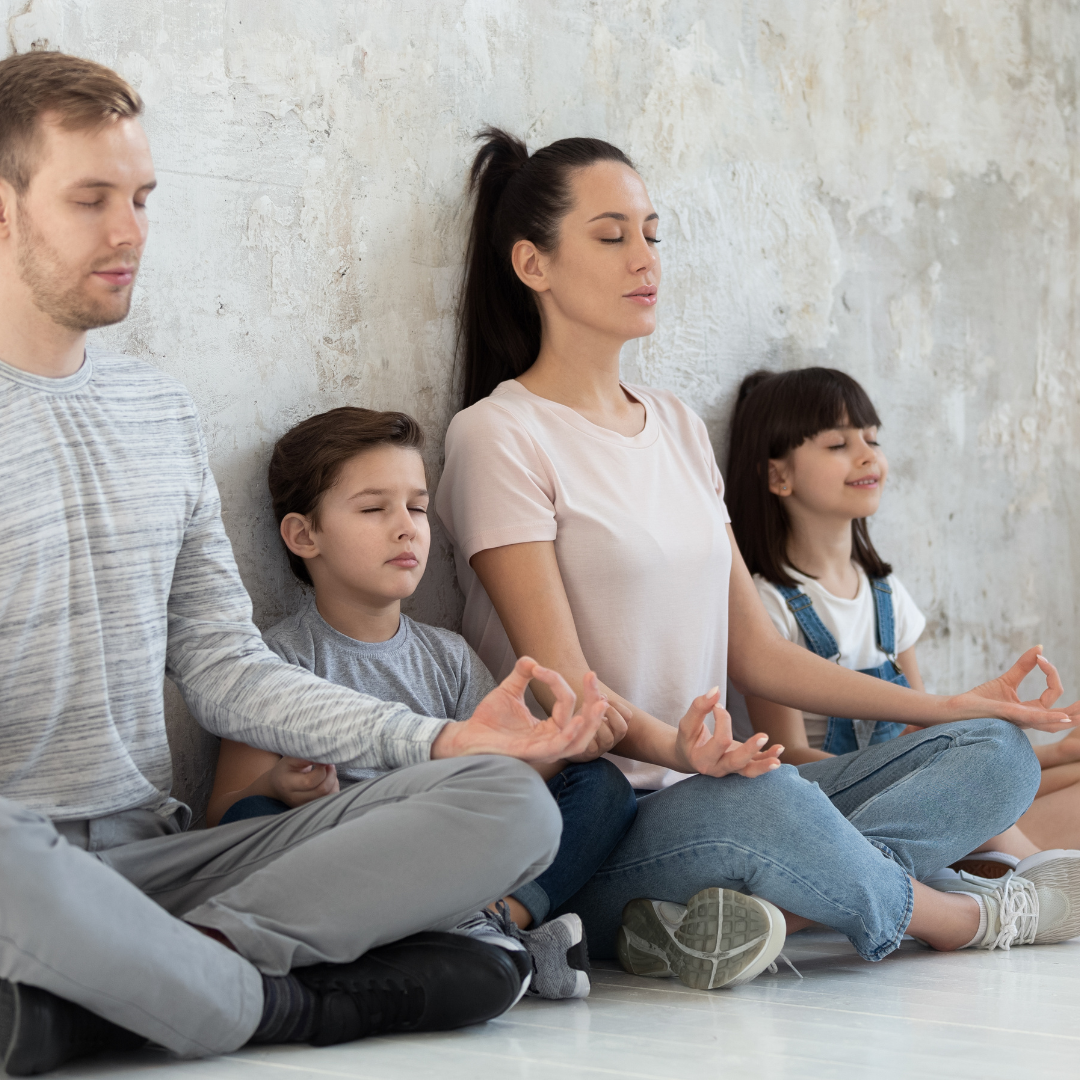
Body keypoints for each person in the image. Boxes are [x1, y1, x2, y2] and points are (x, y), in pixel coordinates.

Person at [0, 52, 609, 1077]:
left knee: (505, 800)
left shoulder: (159, 412)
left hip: (164, 864)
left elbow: (225, 669)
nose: (130, 231)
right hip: (19, 861)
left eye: (142, 198)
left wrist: (441, 735)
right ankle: (273, 1008)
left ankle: (166, 982)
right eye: (91, 199)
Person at [433, 127, 1080, 991]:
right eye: (611, 234)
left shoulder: (674, 426)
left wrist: (942, 705)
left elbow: (762, 654)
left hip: (722, 792)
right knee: (771, 804)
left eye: (652, 233)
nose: (644, 258)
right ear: (533, 265)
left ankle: (753, 917)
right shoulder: (497, 436)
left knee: (992, 751)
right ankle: (964, 916)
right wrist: (688, 757)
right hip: (607, 816)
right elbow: (565, 688)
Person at [205, 404, 640, 999]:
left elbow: (505, 782)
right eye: (372, 508)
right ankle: (460, 935)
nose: (406, 526)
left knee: (600, 786)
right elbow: (224, 819)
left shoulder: (448, 656)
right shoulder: (276, 663)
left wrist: (559, 746)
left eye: (415, 506)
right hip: (349, 868)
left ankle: (493, 920)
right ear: (304, 534)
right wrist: (282, 788)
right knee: (249, 824)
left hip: (450, 862)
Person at [727, 365, 1080, 868]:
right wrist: (912, 770)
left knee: (1031, 768)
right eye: (837, 444)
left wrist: (1060, 751)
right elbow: (787, 761)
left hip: (922, 788)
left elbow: (924, 736)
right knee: (979, 789)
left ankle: (1020, 869)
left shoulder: (886, 594)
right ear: (778, 475)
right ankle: (1025, 874)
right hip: (840, 808)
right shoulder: (767, 606)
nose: (868, 454)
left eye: (871, 438)